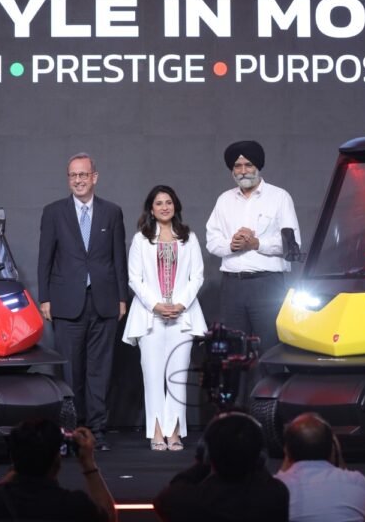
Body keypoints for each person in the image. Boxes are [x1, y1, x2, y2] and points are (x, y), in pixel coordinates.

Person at [38, 153, 127, 452]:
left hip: (104, 301)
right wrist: (45, 298)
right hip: (66, 303)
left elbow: (118, 258)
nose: (78, 180)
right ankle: (71, 432)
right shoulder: (53, 212)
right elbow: (45, 258)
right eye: (73, 175)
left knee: (100, 372)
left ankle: (97, 432)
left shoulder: (112, 212)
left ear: (94, 177)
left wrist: (122, 298)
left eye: (83, 175)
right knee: (71, 373)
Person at [122, 185, 207, 451]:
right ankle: (157, 431)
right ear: (151, 209)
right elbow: (134, 279)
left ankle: (175, 432)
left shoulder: (189, 237)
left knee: (177, 378)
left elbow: (197, 276)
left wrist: (180, 304)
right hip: (150, 318)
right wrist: (156, 305)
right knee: (153, 377)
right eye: (158, 203)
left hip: (183, 317)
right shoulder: (141, 239)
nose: (164, 207)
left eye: (168, 202)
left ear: (175, 206)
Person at [205, 140, 300, 357]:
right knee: (232, 353)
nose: (243, 171)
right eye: (237, 166)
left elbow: (292, 245)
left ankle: (270, 382)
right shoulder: (224, 200)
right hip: (232, 287)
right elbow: (212, 240)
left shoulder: (279, 197)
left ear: (258, 166)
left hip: (266, 285)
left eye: (248, 165)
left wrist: (256, 243)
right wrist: (231, 245)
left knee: (271, 349)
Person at [154, 411, 289, 522]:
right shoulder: (275, 495)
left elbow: (170, 493)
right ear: (260, 455)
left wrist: (201, 464)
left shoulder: (187, 501)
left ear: (207, 454)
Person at [0, 418, 117, 522]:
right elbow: (109, 517)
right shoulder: (73, 505)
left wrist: (21, 458)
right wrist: (88, 464)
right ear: (57, 460)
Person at [276, 413, 365, 522]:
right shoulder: (357, 482)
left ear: (287, 451)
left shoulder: (278, 488)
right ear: (333, 449)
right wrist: (339, 457)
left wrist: (285, 462)